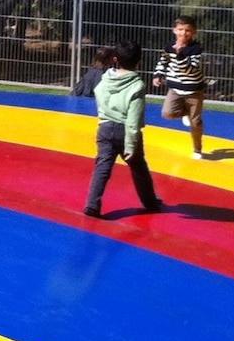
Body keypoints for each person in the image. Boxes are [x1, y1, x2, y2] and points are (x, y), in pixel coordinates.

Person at [86, 42, 164, 218]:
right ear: (139, 62)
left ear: (115, 59)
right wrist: (131, 144)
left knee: (102, 167)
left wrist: (105, 114)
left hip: (105, 128)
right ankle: (150, 202)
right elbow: (133, 120)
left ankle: (92, 204)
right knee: (139, 168)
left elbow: (98, 92)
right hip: (125, 132)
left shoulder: (106, 78)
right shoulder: (137, 85)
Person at [152, 15, 209, 159]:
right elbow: (163, 61)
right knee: (167, 113)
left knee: (195, 122)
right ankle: (185, 113)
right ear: (174, 30)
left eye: (188, 30)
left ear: (194, 32)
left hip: (194, 90)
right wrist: (158, 74)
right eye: (180, 29)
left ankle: (197, 149)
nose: (183, 33)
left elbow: (190, 70)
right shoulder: (169, 47)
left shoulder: (196, 49)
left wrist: (180, 55)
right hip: (175, 89)